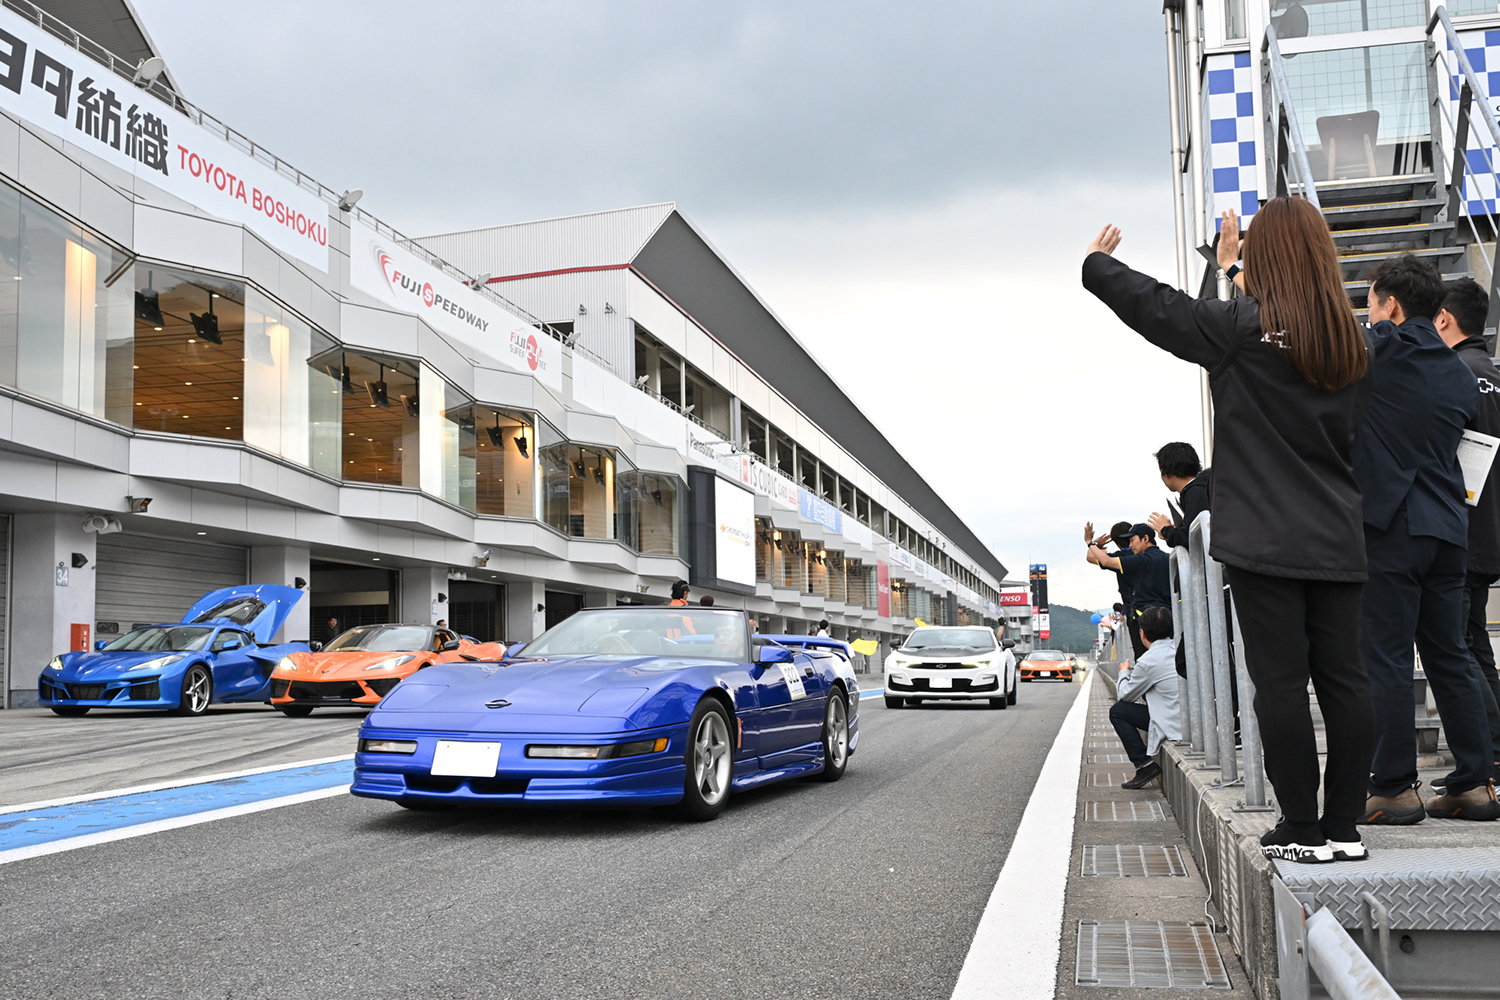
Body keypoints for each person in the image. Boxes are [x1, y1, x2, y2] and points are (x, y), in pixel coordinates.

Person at [1083, 198, 1376, 864]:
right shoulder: (1354, 340)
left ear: (1263, 259)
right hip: (1337, 530)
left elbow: (1163, 310)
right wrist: (1229, 267)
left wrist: (1099, 267)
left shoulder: (1244, 329)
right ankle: (1343, 829)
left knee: (1278, 682)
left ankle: (1301, 825)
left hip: (1265, 538)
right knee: (1345, 681)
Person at [1355, 256, 1498, 824]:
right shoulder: (1459, 371)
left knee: (1386, 658)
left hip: (1392, 527)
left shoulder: (1377, 352)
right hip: (1449, 529)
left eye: (1371, 301)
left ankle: (1393, 787)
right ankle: (1475, 782)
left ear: (1390, 304)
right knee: (1450, 654)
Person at [1434, 278, 1500, 774]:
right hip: (1490, 529)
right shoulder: (1494, 373)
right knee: (1475, 642)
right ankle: (1494, 748)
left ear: (1443, 319)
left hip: (1460, 530)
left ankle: (1487, 755)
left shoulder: (1452, 373)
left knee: (1456, 647)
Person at [1111, 606, 1182, 789]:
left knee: (1118, 711)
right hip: (1195, 720)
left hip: (1174, 723)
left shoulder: (1148, 660)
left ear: (1142, 633)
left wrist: (1124, 672)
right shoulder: (1181, 649)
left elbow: (1125, 695)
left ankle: (1144, 765)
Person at [1088, 525, 1171, 657]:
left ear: (1145, 539)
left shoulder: (1139, 560)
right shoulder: (1169, 558)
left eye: (1132, 540)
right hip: (1168, 616)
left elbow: (1104, 560)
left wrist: (1091, 543)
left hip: (1143, 616)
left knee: (1144, 657)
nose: (1131, 545)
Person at [1147, 442, 1211, 549]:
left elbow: (1192, 538)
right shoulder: (1205, 486)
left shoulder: (1195, 492)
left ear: (1164, 471)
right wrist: (1171, 533)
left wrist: (1165, 529)